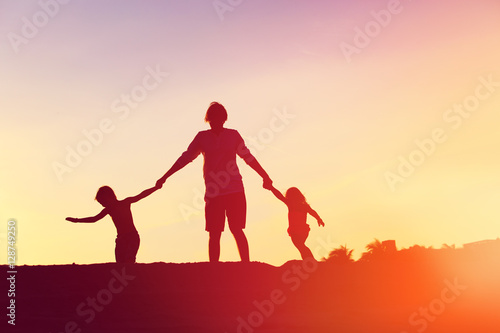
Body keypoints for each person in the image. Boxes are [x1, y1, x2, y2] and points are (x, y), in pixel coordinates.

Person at [156, 102, 272, 263]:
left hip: (235, 190)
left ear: (224, 119)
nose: (215, 121)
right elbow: (185, 158)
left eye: (218, 118)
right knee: (214, 233)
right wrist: (165, 176)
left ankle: (246, 266)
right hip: (213, 193)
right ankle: (214, 268)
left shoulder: (233, 135)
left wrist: (264, 176)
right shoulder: (202, 137)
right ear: (208, 119)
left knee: (237, 229)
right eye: (212, 118)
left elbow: (248, 157)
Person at [66, 183, 161, 263]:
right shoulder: (108, 209)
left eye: (102, 201)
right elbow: (94, 219)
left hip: (132, 237)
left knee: (129, 261)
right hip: (120, 240)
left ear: (109, 197)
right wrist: (77, 220)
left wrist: (155, 187)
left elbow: (141, 195)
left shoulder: (125, 203)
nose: (102, 204)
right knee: (120, 264)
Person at [265, 184, 324, 260]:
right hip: (303, 230)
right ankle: (308, 260)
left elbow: (279, 196)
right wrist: (319, 219)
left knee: (301, 246)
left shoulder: (291, 204)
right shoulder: (304, 206)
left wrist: (271, 188)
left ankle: (310, 260)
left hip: (296, 231)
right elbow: (312, 212)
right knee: (301, 246)